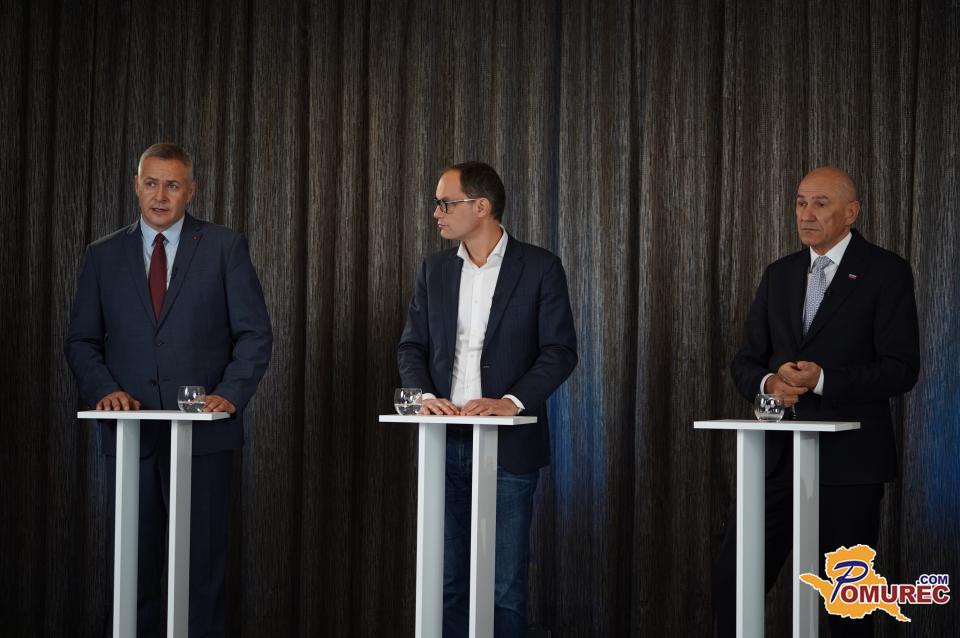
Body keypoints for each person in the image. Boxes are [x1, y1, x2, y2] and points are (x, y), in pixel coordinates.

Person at [64, 143, 273, 637]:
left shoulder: (224, 247)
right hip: (129, 438)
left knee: (201, 568)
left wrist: (229, 394)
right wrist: (104, 390)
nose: (160, 195)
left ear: (191, 191)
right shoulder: (102, 255)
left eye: (172, 185)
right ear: (136, 186)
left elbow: (254, 334)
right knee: (132, 566)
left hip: (203, 438)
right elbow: (81, 340)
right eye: (152, 183)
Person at [715, 166, 920, 637]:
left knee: (846, 609)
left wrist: (824, 380)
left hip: (849, 466)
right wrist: (770, 382)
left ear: (851, 212)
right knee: (733, 585)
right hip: (775, 463)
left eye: (820, 204)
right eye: (800, 202)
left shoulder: (886, 272)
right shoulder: (780, 274)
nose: (806, 214)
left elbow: (901, 368)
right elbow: (745, 361)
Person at [398, 161, 577, 637]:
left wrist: (512, 401)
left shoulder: (540, 267)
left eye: (445, 203)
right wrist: (424, 396)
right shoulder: (435, 269)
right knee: (448, 581)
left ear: (481, 207)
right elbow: (411, 347)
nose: (436, 213)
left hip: (508, 447)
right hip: (443, 443)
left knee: (505, 586)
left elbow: (560, 351)